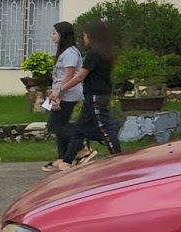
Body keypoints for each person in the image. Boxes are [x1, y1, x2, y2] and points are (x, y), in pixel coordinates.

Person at [69, 21, 122, 159]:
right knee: (79, 129)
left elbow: (81, 75)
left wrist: (61, 89)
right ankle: (67, 160)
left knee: (105, 129)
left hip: (95, 95)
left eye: (85, 35)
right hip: (95, 95)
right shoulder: (104, 53)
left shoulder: (94, 54)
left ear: (92, 36)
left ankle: (118, 159)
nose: (84, 38)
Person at [40, 22, 84, 173]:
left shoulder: (71, 52)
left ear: (62, 34)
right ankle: (63, 157)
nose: (52, 36)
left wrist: (58, 93)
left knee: (54, 125)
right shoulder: (65, 52)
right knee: (60, 124)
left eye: (54, 33)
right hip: (60, 93)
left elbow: (69, 75)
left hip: (68, 94)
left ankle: (82, 148)